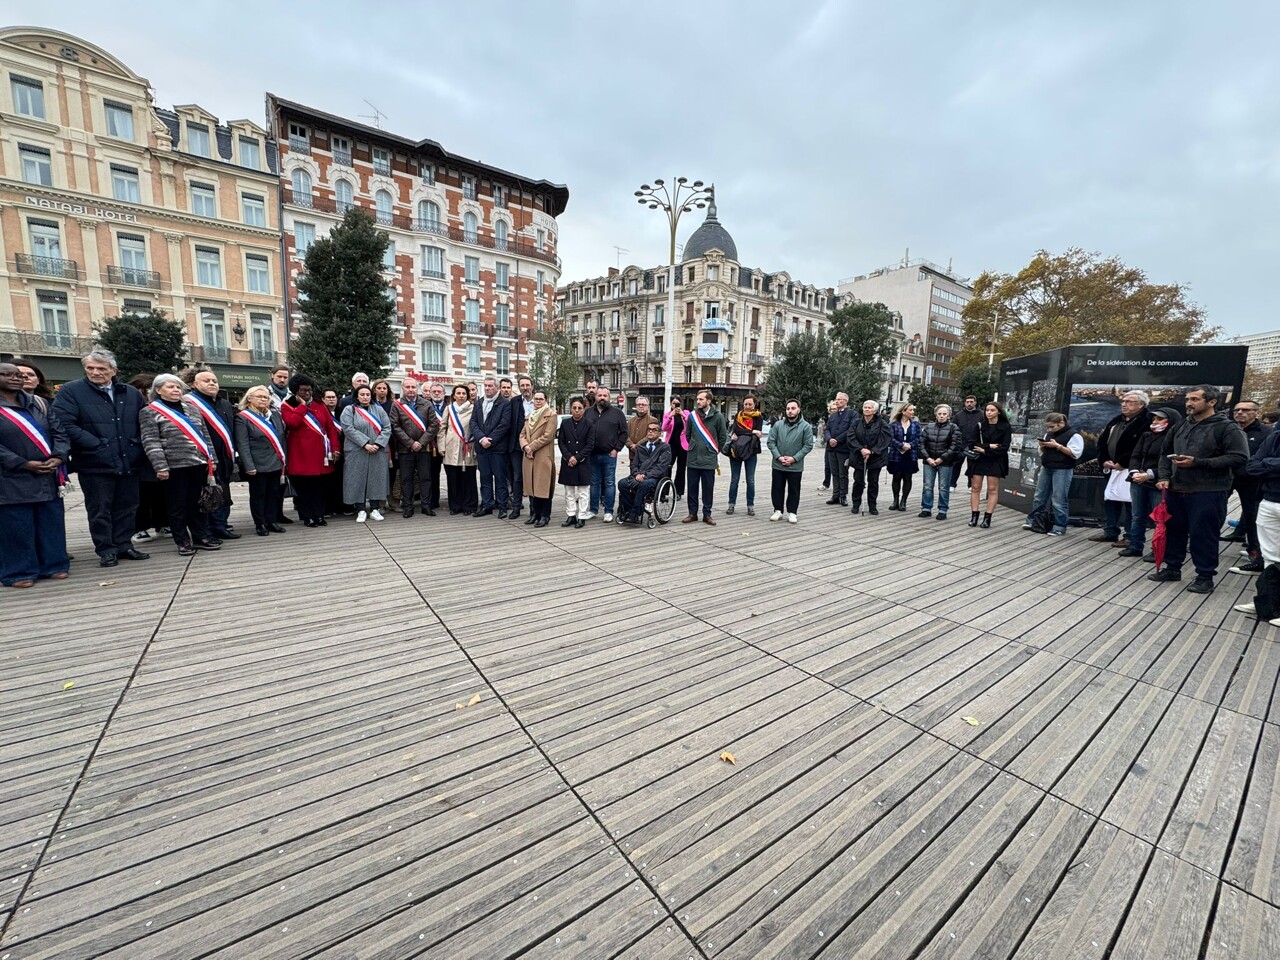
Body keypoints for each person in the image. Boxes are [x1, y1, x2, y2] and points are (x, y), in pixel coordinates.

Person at [51, 349, 149, 568]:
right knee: (100, 509)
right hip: (94, 461)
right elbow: (64, 423)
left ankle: (124, 544)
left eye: (102, 369)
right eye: (90, 368)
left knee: (128, 506)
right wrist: (96, 444)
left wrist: (139, 446)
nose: (95, 372)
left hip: (129, 459)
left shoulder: (130, 392)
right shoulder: (71, 391)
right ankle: (106, 549)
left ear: (113, 371)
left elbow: (144, 422)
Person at [1150, 385, 1248, 593]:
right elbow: (1164, 454)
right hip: (1177, 489)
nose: (1189, 403)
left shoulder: (1227, 427)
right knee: (1174, 531)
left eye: (1195, 399)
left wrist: (1198, 462)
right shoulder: (1180, 426)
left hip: (1208, 491)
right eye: (1188, 399)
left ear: (1211, 402)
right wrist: (1165, 477)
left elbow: (1239, 457)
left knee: (1203, 535)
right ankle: (1173, 568)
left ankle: (1205, 576)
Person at [0, 361, 70, 588]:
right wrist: (22, 463)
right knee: (17, 525)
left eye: (18, 374)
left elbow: (59, 432)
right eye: (6, 374)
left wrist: (59, 456)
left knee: (50, 521)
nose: (15, 377)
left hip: (47, 473)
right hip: (11, 477)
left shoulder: (39, 404)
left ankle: (54, 564)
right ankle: (19, 571)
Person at [140, 374, 220, 556]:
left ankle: (200, 537)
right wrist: (160, 466)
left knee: (198, 503)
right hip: (174, 466)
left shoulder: (192, 409)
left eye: (178, 387)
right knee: (177, 506)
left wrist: (212, 460)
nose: (176, 390)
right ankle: (182, 540)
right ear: (158, 390)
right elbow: (150, 440)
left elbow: (205, 436)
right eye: (170, 387)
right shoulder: (150, 411)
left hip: (198, 463)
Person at [1088, 390, 1154, 546]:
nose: (1124, 404)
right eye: (1123, 401)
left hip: (1133, 469)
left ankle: (1130, 536)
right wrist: (1104, 459)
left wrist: (1123, 462)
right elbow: (1102, 442)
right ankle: (1110, 531)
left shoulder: (1148, 422)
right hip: (1112, 468)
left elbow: (1142, 447)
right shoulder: (1116, 420)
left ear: (1141, 404)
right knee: (1110, 500)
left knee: (1132, 505)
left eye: (1129, 402)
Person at [183, 367, 240, 540]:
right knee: (206, 494)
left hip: (225, 457)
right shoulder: (189, 403)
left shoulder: (225, 404)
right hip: (204, 457)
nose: (211, 383)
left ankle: (221, 525)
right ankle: (206, 530)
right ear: (195, 384)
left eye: (214, 381)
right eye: (206, 381)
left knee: (223, 492)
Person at [280, 374, 340, 527]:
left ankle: (319, 515)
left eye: (309, 390)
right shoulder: (287, 405)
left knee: (320, 488)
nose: (307, 393)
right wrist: (302, 406)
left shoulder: (320, 405)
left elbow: (330, 428)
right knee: (304, 489)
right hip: (301, 455)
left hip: (321, 455)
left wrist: (335, 448)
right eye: (303, 391)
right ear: (295, 391)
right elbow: (292, 423)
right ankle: (308, 516)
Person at [1120, 407, 1182, 558]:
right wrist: (1134, 472)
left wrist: (1149, 474)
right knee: (1137, 515)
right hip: (1138, 481)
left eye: (1159, 419)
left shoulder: (1175, 438)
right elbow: (1135, 455)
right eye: (1154, 419)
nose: (1155, 422)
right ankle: (1135, 546)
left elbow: (1171, 461)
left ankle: (1158, 550)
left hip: (1158, 482)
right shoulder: (1146, 435)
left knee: (1159, 518)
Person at [1221, 399, 1271, 573]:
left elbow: (1264, 457)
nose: (1240, 413)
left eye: (1245, 410)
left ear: (1256, 413)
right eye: (1237, 410)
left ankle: (1255, 552)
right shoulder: (1228, 429)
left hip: (1251, 481)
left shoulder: (1266, 432)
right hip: (1225, 477)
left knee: (1252, 516)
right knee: (1215, 510)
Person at [234, 385, 287, 536]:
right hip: (257, 464)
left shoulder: (275, 415)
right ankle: (260, 524)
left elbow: (282, 438)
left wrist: (284, 460)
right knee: (259, 495)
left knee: (273, 494)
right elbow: (242, 444)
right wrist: (248, 465)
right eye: (259, 397)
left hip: (275, 461)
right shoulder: (243, 417)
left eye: (266, 397)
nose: (263, 399)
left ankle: (271, 521)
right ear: (249, 399)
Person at [1021, 413, 1084, 537]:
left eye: (1052, 426)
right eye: (1048, 427)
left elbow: (1075, 453)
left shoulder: (1074, 435)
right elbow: (1042, 453)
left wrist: (1058, 446)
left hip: (1063, 469)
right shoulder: (1048, 434)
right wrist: (1043, 446)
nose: (1049, 429)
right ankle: (1034, 520)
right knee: (1039, 496)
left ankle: (1060, 525)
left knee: (1059, 498)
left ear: (1061, 423)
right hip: (1047, 466)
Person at [341, 384, 391, 522]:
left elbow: (387, 428)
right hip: (357, 450)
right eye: (362, 394)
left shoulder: (379, 410)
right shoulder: (349, 410)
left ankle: (374, 508)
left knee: (376, 478)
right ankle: (361, 509)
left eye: (368, 394)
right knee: (357, 478)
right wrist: (365, 444)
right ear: (357, 396)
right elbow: (348, 429)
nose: (365, 397)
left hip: (378, 450)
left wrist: (378, 444)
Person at [390, 377, 439, 518]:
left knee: (425, 478)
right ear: (403, 389)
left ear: (417, 388)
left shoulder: (426, 404)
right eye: (408, 387)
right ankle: (408, 507)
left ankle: (426, 506)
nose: (410, 390)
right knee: (406, 479)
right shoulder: (397, 405)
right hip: (405, 449)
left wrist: (421, 442)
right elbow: (395, 426)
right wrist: (411, 443)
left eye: (413, 387)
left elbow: (433, 425)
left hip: (424, 448)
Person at [683, 388, 728, 525]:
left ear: (709, 401)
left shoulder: (718, 416)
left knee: (708, 488)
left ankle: (707, 514)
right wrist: (694, 446)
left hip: (709, 458)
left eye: (701, 399)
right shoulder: (692, 416)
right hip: (693, 457)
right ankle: (692, 513)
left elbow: (722, 437)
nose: (698, 402)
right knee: (692, 487)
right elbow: (688, 434)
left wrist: (713, 450)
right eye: (697, 399)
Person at [469, 376, 513, 518]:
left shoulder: (505, 403)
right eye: (485, 385)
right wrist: (481, 438)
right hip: (482, 447)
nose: (487, 388)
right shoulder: (478, 403)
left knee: (500, 479)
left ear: (497, 388)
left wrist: (490, 440)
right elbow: (473, 422)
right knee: (485, 478)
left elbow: (504, 425)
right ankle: (487, 505)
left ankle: (502, 506)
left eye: (490, 386)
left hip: (498, 448)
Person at [585, 386, 627, 522]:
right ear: (595, 397)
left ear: (609, 397)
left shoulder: (617, 413)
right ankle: (593, 509)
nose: (602, 398)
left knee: (609, 483)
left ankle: (608, 511)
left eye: (605, 395)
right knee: (594, 483)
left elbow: (624, 433)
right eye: (599, 395)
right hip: (591, 455)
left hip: (609, 455)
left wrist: (617, 449)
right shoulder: (588, 413)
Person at [767, 398, 812, 523]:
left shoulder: (805, 426)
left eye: (793, 408)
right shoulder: (778, 425)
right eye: (788, 409)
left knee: (794, 489)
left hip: (795, 465)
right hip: (778, 463)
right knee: (776, 488)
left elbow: (808, 445)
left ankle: (792, 512)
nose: (790, 411)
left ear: (799, 409)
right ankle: (777, 510)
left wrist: (794, 458)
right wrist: (778, 457)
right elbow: (771, 442)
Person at [617, 421, 671, 524]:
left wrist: (644, 475)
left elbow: (661, 467)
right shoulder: (641, 447)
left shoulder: (665, 447)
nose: (651, 431)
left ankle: (635, 513)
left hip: (654, 477)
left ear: (660, 433)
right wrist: (637, 474)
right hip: (638, 476)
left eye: (654, 430)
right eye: (649, 429)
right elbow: (634, 465)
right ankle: (629, 510)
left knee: (644, 484)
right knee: (622, 483)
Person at [918, 403, 965, 520]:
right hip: (929, 461)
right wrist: (928, 458)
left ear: (949, 415)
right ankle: (926, 508)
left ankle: (943, 510)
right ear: (936, 415)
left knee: (943, 487)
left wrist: (941, 458)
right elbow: (921, 444)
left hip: (945, 462)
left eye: (944, 414)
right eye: (939, 414)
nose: (942, 416)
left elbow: (955, 446)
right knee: (928, 486)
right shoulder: (928, 427)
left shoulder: (954, 428)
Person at [968, 402, 1011, 528]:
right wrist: (988, 446)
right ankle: (974, 515)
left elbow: (1004, 447)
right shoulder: (980, 425)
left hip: (995, 460)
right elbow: (971, 443)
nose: (989, 412)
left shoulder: (1005, 426)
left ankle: (988, 517)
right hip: (979, 460)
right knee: (975, 487)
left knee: (992, 489)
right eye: (987, 410)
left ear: (998, 411)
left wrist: (985, 450)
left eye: (992, 410)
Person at [438, 384, 478, 515]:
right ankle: (455, 506)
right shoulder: (449, 409)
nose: (461, 396)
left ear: (467, 395)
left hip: (467, 447)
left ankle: (469, 506)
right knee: (453, 478)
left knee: (468, 478)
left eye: (463, 393)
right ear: (454, 395)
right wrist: (441, 446)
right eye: (458, 393)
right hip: (451, 447)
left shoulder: (473, 408)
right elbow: (442, 428)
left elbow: (477, 427)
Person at [519, 389, 557, 527]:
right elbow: (522, 434)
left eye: (541, 399)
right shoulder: (530, 415)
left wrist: (531, 447)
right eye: (536, 399)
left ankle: (545, 515)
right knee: (531, 487)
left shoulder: (551, 415)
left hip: (542, 455)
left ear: (546, 400)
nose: (538, 401)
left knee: (543, 487)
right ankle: (534, 514)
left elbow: (548, 436)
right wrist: (525, 447)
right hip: (529, 456)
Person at [846, 400, 891, 515]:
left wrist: (871, 451)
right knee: (858, 481)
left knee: (873, 482)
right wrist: (861, 449)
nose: (866, 409)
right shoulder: (856, 423)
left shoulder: (881, 423)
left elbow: (884, 439)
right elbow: (851, 437)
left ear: (874, 410)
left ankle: (872, 505)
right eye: (865, 407)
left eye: (869, 408)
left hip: (875, 457)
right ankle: (856, 503)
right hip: (859, 456)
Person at [557, 396, 594, 528]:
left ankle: (582, 516)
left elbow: (590, 444)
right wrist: (569, 457)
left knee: (583, 492)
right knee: (569, 491)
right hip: (568, 462)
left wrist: (577, 458)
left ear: (584, 410)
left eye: (579, 408)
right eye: (574, 408)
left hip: (583, 462)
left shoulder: (589, 424)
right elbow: (561, 442)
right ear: (571, 409)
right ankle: (571, 515)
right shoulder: (565, 423)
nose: (577, 410)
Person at [726, 395, 763, 516]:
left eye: (750, 404)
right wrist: (752, 431)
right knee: (734, 479)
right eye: (745, 404)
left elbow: (757, 433)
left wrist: (745, 433)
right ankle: (731, 504)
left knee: (750, 480)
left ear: (754, 405)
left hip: (751, 450)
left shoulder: (758, 417)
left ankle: (750, 506)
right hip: (736, 450)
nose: (747, 406)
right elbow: (737, 431)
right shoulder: (738, 415)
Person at [506, 376, 534, 519]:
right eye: (522, 385)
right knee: (517, 478)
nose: (525, 388)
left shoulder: (539, 402)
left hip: (535, 447)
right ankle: (516, 507)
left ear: (532, 386)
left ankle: (534, 509)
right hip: (516, 447)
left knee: (532, 477)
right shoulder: (514, 402)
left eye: (527, 385)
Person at [886, 402, 922, 512]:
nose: (912, 412)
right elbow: (890, 439)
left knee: (907, 477)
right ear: (903, 411)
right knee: (896, 477)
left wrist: (910, 445)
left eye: (913, 410)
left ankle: (903, 501)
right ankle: (895, 500)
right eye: (910, 410)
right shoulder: (893, 425)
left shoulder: (916, 425)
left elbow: (919, 438)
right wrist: (901, 445)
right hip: (896, 454)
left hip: (910, 454)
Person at [823, 392, 855, 506]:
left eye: (840, 399)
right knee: (834, 472)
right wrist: (829, 439)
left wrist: (837, 440)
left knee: (843, 473)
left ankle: (843, 495)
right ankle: (835, 495)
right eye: (836, 399)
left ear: (846, 401)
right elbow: (827, 429)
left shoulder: (852, 414)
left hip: (843, 448)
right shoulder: (833, 415)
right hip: (831, 449)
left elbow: (851, 429)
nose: (837, 401)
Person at [320, 387, 346, 516]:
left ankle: (340, 506)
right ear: (323, 399)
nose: (331, 400)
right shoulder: (319, 413)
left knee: (340, 480)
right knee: (327, 481)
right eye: (328, 397)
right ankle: (328, 508)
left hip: (343, 451)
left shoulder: (343, 412)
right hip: (326, 452)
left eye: (333, 397)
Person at [953, 396, 984, 489]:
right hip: (960, 445)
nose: (969, 403)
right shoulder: (958, 415)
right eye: (967, 402)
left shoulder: (981, 415)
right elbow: (953, 429)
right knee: (956, 465)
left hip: (974, 445)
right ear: (965, 403)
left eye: (971, 401)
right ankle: (952, 484)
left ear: (975, 402)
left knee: (972, 466)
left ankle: (970, 485)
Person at [661, 397, 689, 500]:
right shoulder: (667, 414)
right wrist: (670, 417)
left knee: (681, 468)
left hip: (683, 445)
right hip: (670, 444)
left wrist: (683, 415)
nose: (676, 406)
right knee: (667, 467)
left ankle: (678, 492)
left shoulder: (686, 413)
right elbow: (663, 428)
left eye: (678, 403)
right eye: (674, 403)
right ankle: (664, 490)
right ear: (670, 404)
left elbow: (690, 425)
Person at [426, 382, 447, 511]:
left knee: (452, 474)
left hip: (448, 446)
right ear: (430, 393)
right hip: (431, 446)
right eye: (434, 391)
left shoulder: (451, 407)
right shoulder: (425, 406)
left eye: (439, 391)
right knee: (433, 474)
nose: (437, 393)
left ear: (444, 393)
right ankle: (433, 500)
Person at [626, 395, 659, 460]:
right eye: (639, 404)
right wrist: (630, 445)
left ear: (648, 407)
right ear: (636, 406)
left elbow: (651, 436)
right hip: (633, 456)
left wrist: (636, 446)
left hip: (647, 456)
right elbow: (625, 435)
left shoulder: (653, 420)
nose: (641, 406)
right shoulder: (630, 421)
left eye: (643, 404)